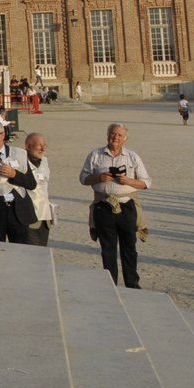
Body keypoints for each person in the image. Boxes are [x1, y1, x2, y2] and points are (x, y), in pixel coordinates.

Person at [79, 122, 151, 288]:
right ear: (107, 135)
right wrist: (98, 178)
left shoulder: (132, 156)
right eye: (113, 134)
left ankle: (132, 283)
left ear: (125, 139)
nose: (115, 137)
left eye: (119, 135)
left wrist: (129, 181)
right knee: (108, 248)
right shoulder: (95, 155)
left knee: (129, 247)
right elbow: (83, 178)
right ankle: (110, 284)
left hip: (126, 206)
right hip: (103, 205)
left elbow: (147, 183)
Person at [20, 132, 54, 246]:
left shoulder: (45, 161)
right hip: (29, 216)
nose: (43, 148)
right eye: (39, 145)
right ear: (28, 146)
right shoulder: (21, 162)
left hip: (45, 217)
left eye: (45, 145)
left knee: (42, 252)